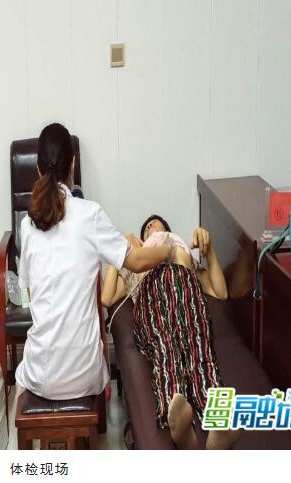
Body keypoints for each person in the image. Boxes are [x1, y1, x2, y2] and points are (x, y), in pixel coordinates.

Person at [15, 123, 172, 404]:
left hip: (41, 375)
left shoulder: (28, 224)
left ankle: (30, 425)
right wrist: (168, 248)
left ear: (38, 169)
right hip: (85, 374)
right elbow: (136, 261)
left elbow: (28, 292)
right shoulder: (89, 214)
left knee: (20, 380)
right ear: (73, 164)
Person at [101, 214, 239, 450]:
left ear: (168, 231)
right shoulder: (136, 262)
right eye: (146, 228)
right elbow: (106, 298)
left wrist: (209, 250)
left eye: (155, 223)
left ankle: (219, 427)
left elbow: (220, 292)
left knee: (199, 350)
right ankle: (180, 428)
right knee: (166, 350)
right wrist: (120, 252)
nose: (151, 226)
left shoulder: (183, 252)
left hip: (187, 296)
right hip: (152, 301)